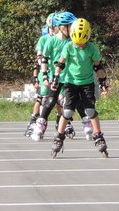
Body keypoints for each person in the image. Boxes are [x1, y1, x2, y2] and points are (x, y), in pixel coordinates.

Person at [48, 18, 109, 158]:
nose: (80, 45)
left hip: (87, 83)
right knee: (68, 111)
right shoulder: (68, 46)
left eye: (82, 42)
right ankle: (59, 137)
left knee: (90, 110)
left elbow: (98, 67)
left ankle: (98, 136)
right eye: (77, 42)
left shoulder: (92, 48)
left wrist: (103, 82)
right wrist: (56, 78)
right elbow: (60, 64)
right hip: (70, 82)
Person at [30, 11, 89, 141]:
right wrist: (45, 76)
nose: (73, 29)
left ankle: (86, 124)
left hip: (70, 77)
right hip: (55, 76)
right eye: (70, 26)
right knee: (50, 101)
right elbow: (44, 59)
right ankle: (39, 126)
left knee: (75, 101)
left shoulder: (72, 41)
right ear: (62, 27)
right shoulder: (51, 41)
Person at [26, 13, 56, 136]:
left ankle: (64, 124)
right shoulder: (44, 39)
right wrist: (36, 78)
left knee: (60, 100)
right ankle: (36, 123)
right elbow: (37, 59)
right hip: (45, 72)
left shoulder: (62, 38)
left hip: (56, 73)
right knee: (42, 100)